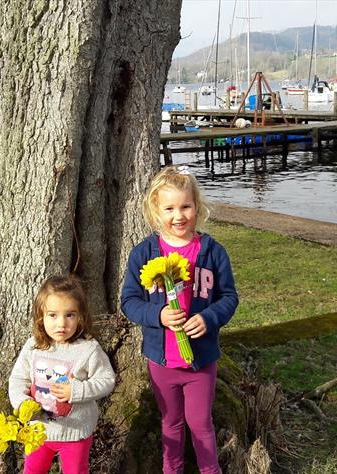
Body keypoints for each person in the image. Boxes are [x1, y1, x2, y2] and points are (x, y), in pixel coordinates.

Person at [121, 165, 239, 474]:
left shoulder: (212, 252)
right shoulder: (144, 254)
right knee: (171, 423)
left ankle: (210, 470)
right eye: (169, 208)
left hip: (201, 361)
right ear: (155, 210)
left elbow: (229, 297)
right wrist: (157, 314)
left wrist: (209, 318)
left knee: (201, 423)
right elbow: (129, 302)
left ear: (197, 207)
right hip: (162, 361)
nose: (178, 216)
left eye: (185, 206)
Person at [9, 275, 116, 474]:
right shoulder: (34, 346)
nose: (61, 324)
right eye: (53, 315)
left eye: (70, 315)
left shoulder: (88, 349)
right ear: (41, 316)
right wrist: (22, 403)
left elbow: (107, 380)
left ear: (80, 317)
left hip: (75, 432)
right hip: (38, 431)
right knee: (33, 470)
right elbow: (18, 379)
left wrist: (77, 390)